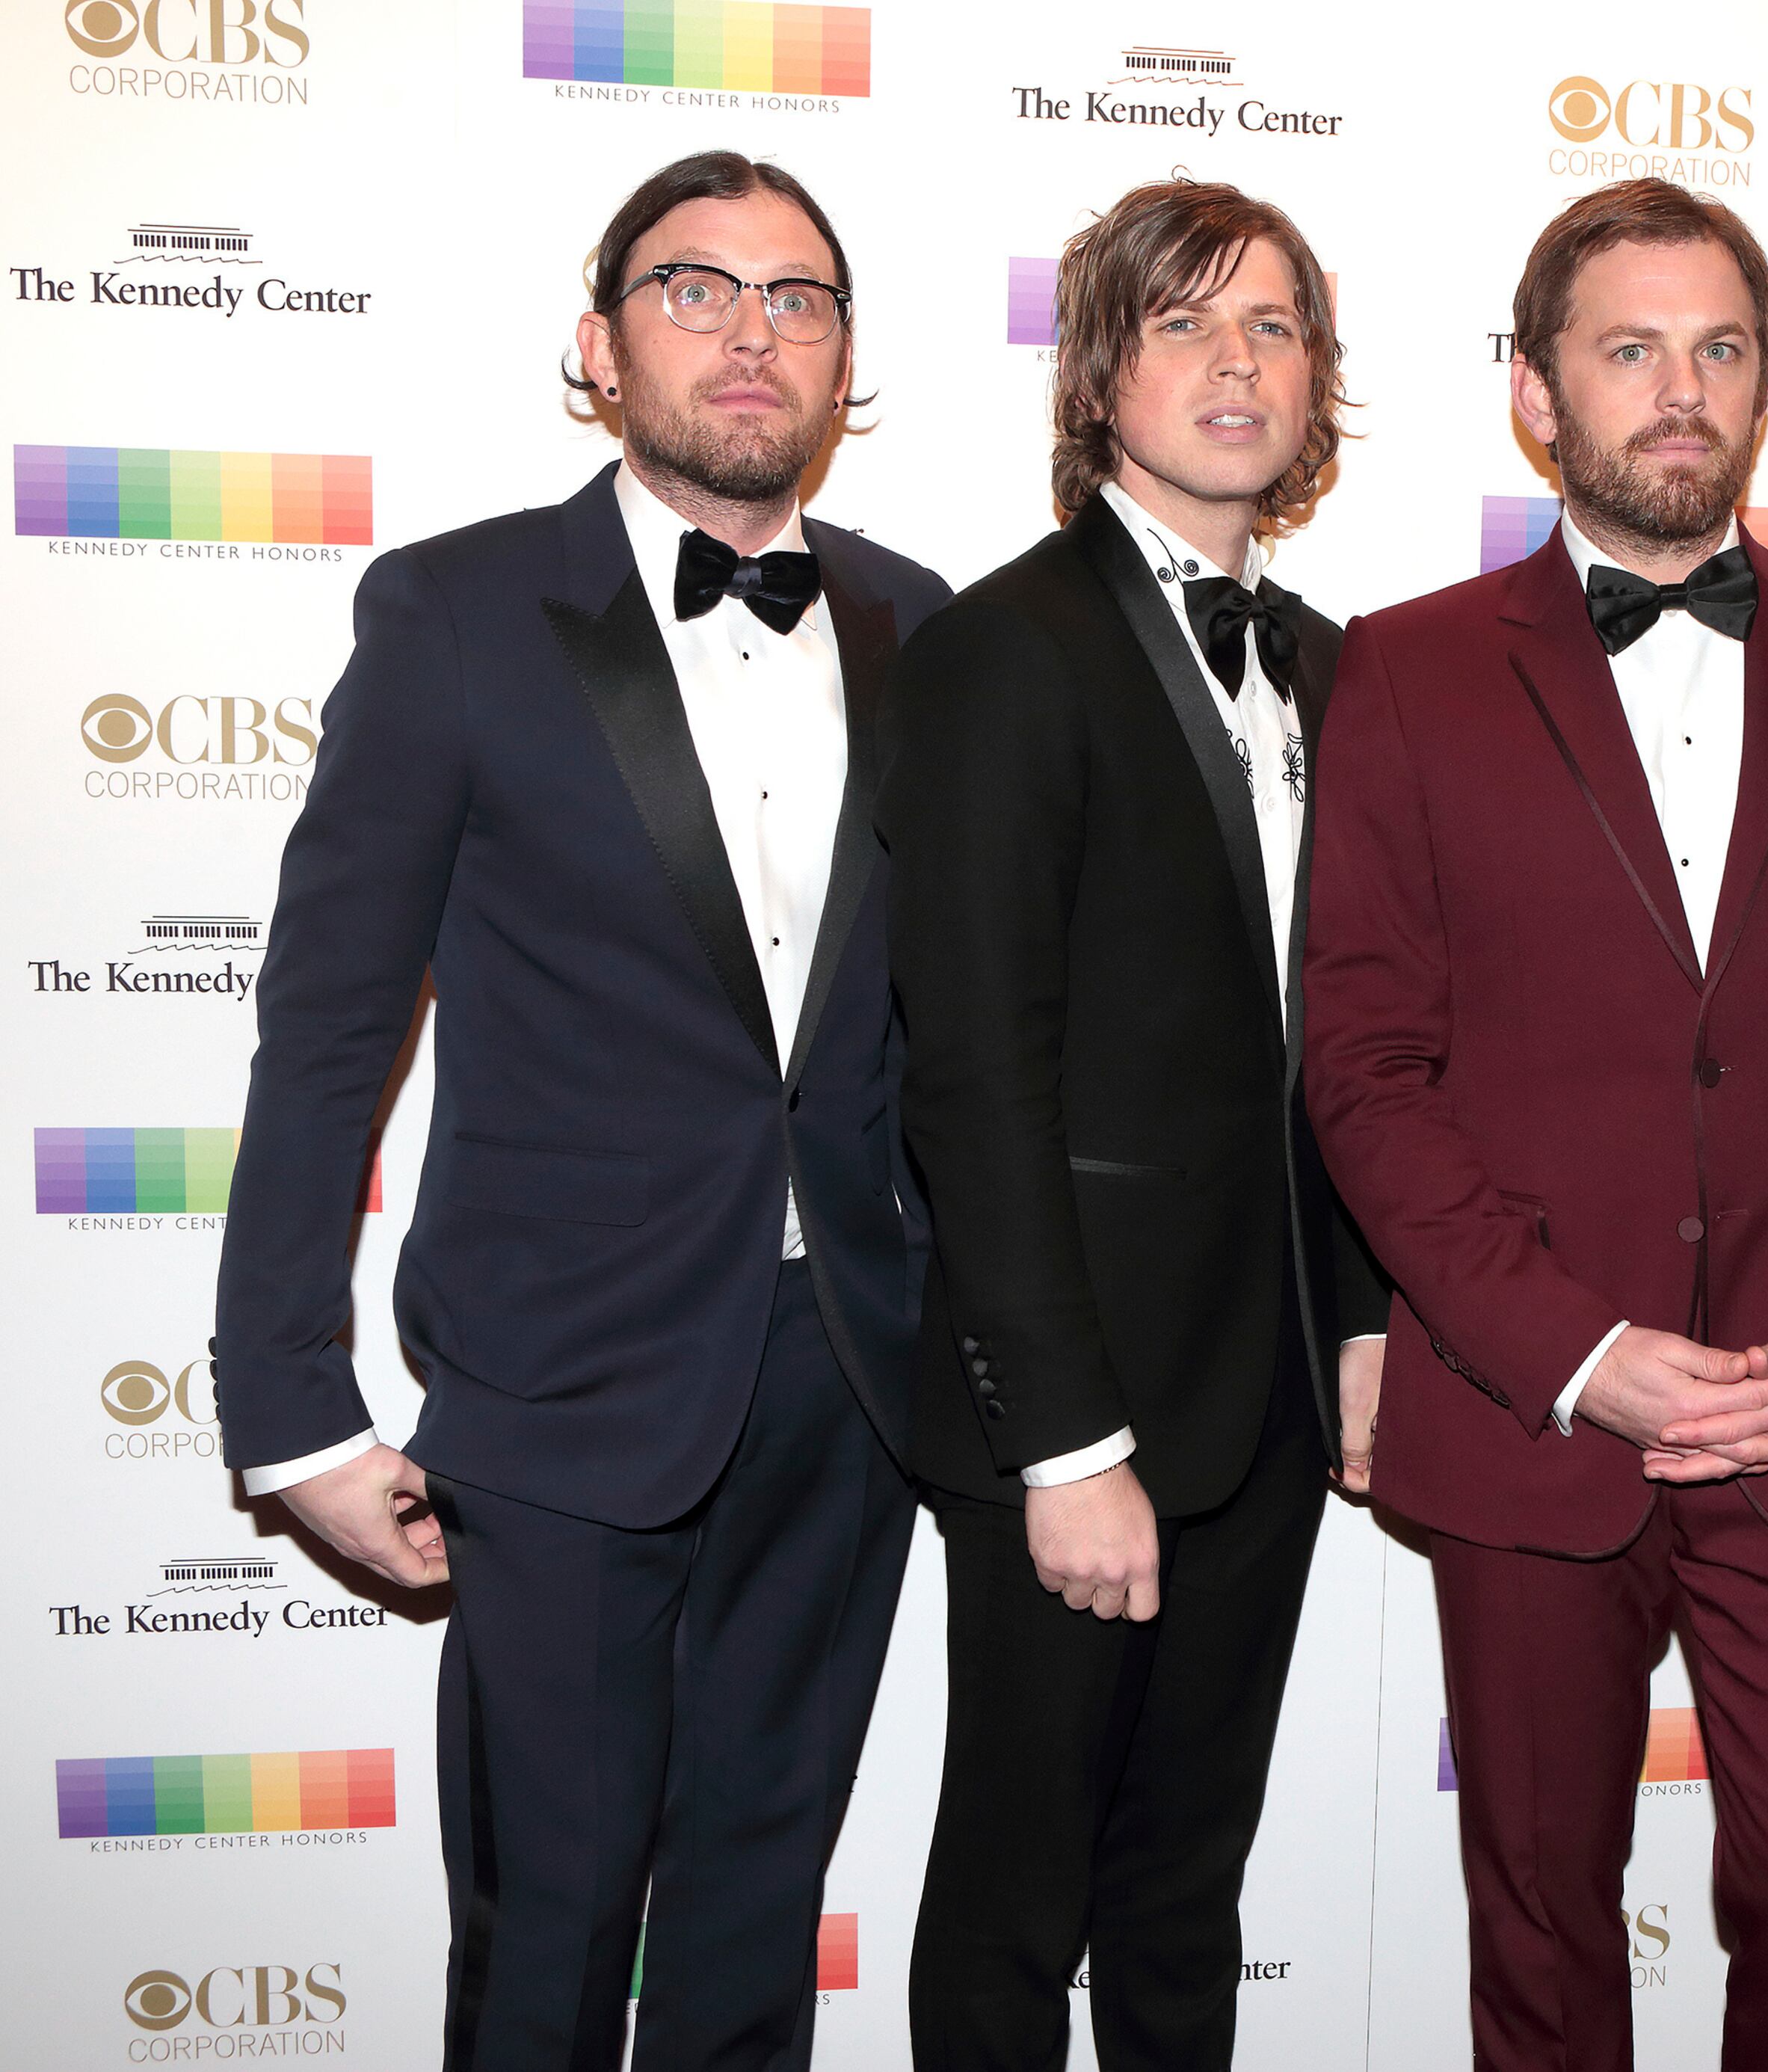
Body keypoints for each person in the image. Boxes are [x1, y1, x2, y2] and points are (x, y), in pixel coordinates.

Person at [212, 151, 949, 2072]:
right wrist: (287, 1404)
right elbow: (326, 1029)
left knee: (757, 1915)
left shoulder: (921, 623)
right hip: (558, 1385)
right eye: (693, 288)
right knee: (544, 1936)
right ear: (600, 343)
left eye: (796, 298)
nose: (750, 331)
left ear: (844, 357)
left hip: (846, 1383)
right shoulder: (458, 612)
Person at [1304, 178, 1768, 2072]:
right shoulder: (1404, 668)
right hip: (1528, 1417)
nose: (1682, 390)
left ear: (1765, 383)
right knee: (1543, 1916)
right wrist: (1575, 1353)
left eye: (1721, 350)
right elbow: (1365, 1068)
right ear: (1538, 393)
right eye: (1631, 350)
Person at [884, 178, 1388, 2072]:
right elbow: (973, 1076)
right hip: (1075, 1412)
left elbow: (1353, 1052)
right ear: (1100, 373)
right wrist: (1067, 1440)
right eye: (1182, 322)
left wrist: (1362, 1326)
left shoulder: (1340, 665)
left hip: (1271, 1403)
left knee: (1188, 1891)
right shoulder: (1002, 648)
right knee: (1015, 1907)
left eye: (1272, 325)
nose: (1234, 363)